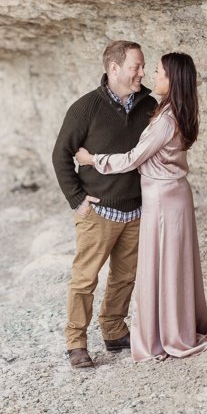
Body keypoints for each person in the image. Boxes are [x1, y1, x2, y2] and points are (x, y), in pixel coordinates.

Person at [75, 52, 207, 362]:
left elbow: (132, 159)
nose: (153, 76)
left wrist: (92, 159)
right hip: (173, 194)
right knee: (173, 264)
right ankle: (175, 322)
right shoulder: (177, 111)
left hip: (163, 199)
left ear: (173, 80)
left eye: (160, 73)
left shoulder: (165, 120)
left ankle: (166, 333)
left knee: (162, 264)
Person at [52, 41, 155, 369]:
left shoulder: (148, 105)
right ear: (114, 68)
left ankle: (113, 330)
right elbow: (60, 155)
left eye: (142, 66)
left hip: (136, 210)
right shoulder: (86, 108)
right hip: (99, 211)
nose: (142, 72)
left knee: (125, 277)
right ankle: (76, 342)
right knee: (85, 278)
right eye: (135, 66)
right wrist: (77, 200)